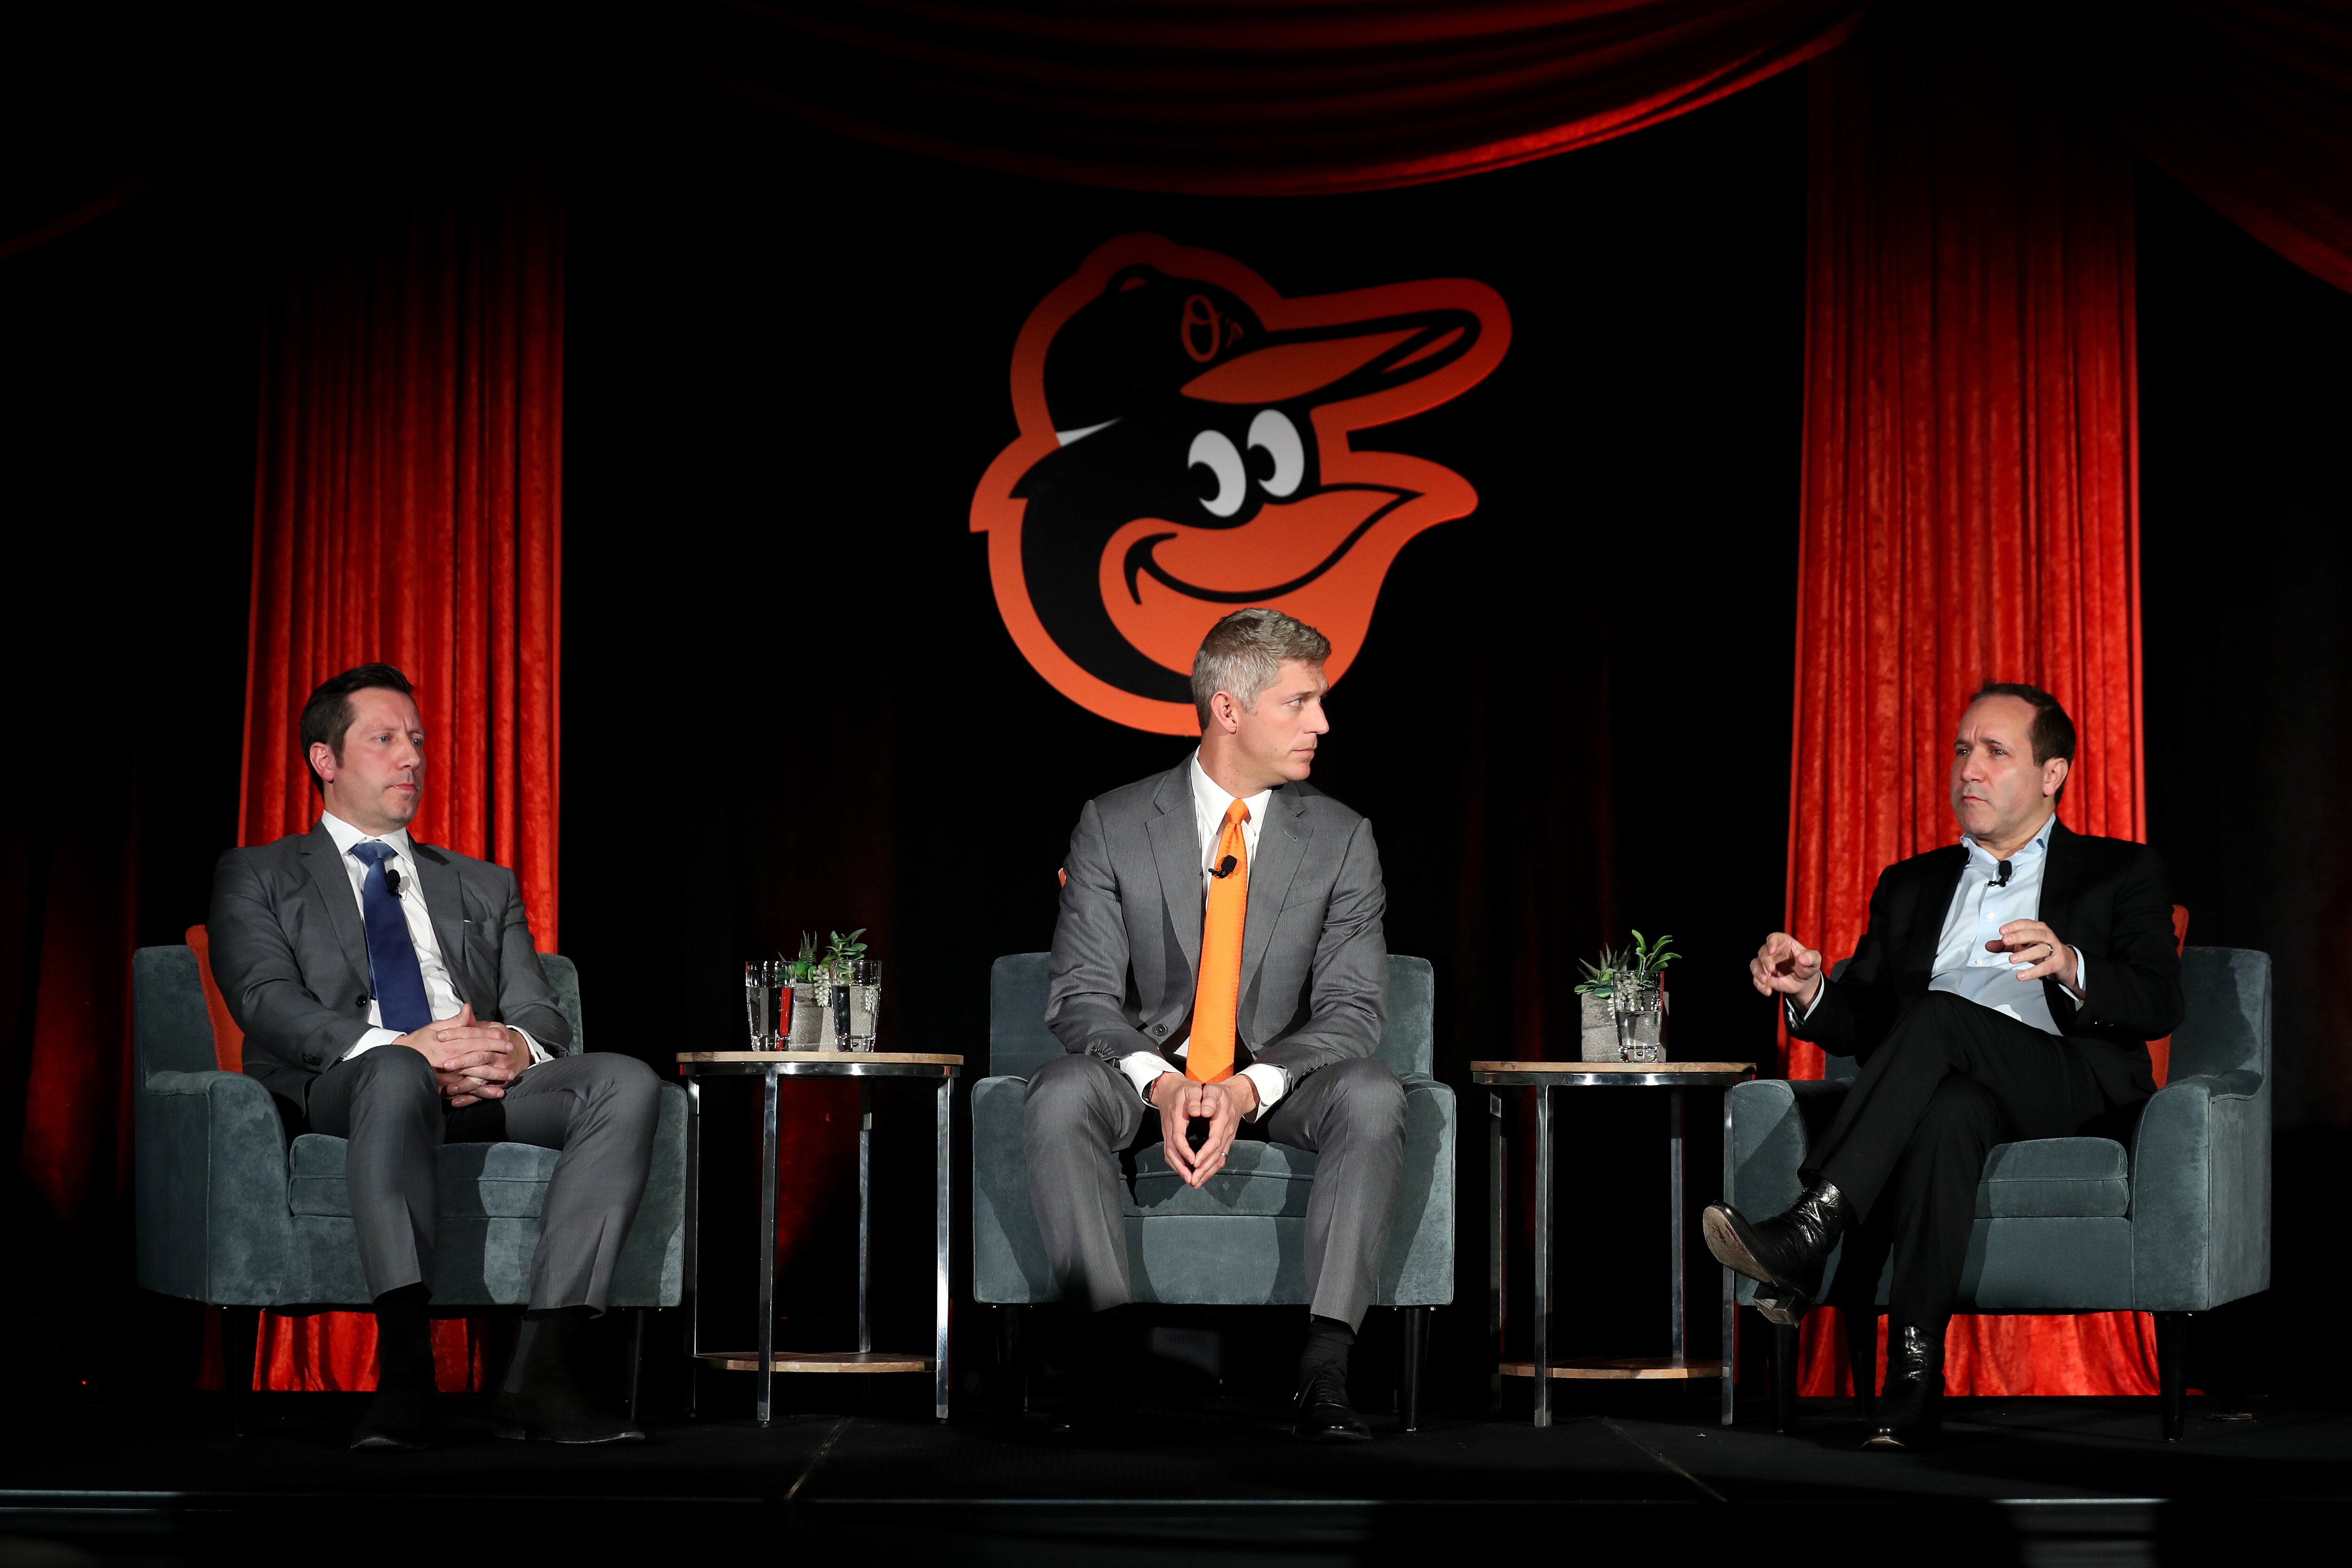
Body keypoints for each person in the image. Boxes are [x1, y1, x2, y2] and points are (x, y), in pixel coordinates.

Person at [1708, 683, 2182, 1448]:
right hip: (1959, 1082)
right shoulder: (1911, 883)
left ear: (2052, 772)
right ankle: (1914, 1383)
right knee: (1948, 1108)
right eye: (1963, 749)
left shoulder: (2117, 872)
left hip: (2070, 1079)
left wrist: (2068, 962)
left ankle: (1811, 1226)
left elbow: (2159, 1000)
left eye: (1995, 751)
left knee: (1939, 1017)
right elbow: (1865, 1025)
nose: (1969, 767)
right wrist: (1809, 987)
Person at [208, 664, 661, 1451]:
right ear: (325, 759)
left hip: (479, 1081)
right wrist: (405, 1047)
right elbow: (264, 997)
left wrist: (509, 1045)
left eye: (416, 739)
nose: (411, 756)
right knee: (396, 1071)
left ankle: (541, 1375)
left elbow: (537, 1004)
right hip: (354, 1082)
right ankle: (407, 1375)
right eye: (385, 739)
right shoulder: (259, 873)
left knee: (625, 1081)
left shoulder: (482, 883)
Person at [1027, 608, 1403, 1442]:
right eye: (1300, 702)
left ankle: (1325, 1366)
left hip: (1276, 1082)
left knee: (1374, 1096)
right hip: (1145, 1072)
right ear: (1230, 710)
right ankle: (1105, 1362)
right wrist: (1160, 1082)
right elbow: (1081, 995)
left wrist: (1246, 1084)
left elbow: (1353, 1010)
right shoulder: (1114, 823)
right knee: (1058, 1094)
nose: (1323, 723)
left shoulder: (1342, 839)